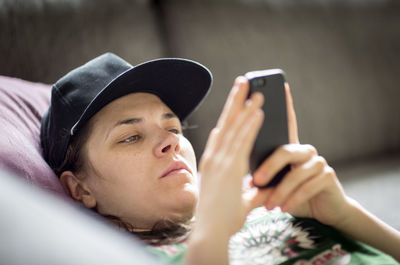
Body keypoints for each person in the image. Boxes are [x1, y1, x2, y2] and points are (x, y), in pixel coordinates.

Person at [40, 53, 400, 265]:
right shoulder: (104, 255)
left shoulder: (260, 194)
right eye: (131, 136)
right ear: (79, 187)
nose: (170, 142)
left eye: (174, 128)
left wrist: (344, 214)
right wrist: (211, 234)